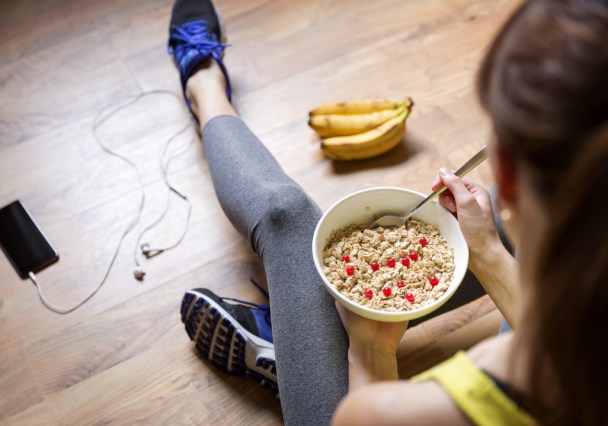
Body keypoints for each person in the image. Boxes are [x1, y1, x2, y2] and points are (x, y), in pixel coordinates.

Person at [169, 0, 608, 424]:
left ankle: (203, 82)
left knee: (287, 216)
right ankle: (297, 339)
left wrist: (369, 346)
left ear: (506, 170)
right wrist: (488, 250)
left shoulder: (403, 413)